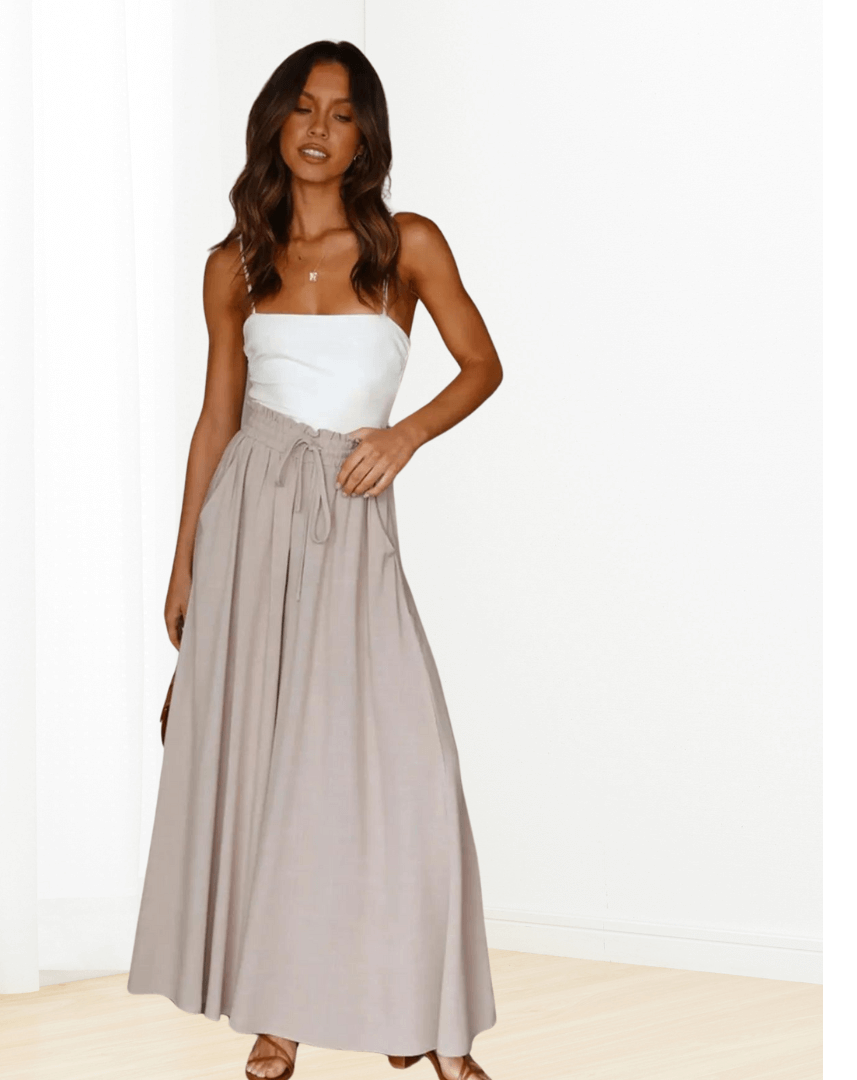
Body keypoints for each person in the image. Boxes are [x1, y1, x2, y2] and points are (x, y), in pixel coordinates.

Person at [127, 39, 504, 1080]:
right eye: (303, 107)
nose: (319, 128)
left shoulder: (409, 245)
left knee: (406, 772)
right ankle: (278, 1018)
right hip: (249, 518)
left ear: (365, 137)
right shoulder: (233, 264)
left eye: (342, 113)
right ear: (275, 122)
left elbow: (482, 365)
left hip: (350, 516)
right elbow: (216, 421)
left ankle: (427, 1020)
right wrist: (184, 566)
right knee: (271, 769)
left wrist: (405, 436)